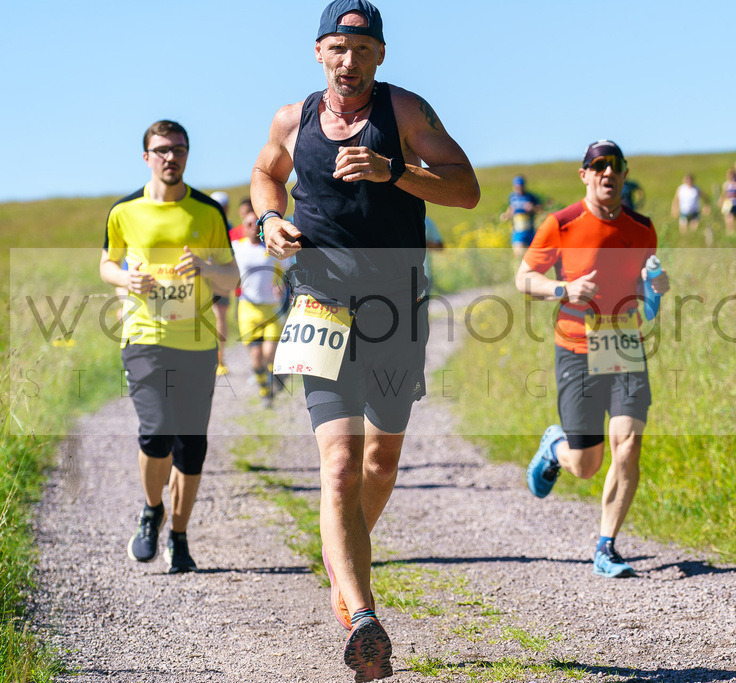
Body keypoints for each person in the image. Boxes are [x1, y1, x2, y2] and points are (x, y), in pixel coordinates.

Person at [249, 1, 479, 679]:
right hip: (318, 300)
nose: (349, 61)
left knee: (380, 461)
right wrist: (268, 217)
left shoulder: (404, 112)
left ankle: (343, 563)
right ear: (318, 52)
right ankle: (362, 614)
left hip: (395, 305)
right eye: (337, 49)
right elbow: (266, 171)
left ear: (379, 56)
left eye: (362, 49)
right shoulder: (292, 119)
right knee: (341, 465)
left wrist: (395, 171)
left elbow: (466, 188)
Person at [516, 140, 670, 579]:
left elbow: (647, 291)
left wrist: (657, 287)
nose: (607, 173)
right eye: (598, 166)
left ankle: (607, 545)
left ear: (624, 174)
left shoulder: (642, 228)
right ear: (584, 174)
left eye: (615, 166)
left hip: (624, 343)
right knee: (586, 466)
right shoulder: (561, 223)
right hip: (576, 347)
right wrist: (562, 290)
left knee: (629, 444)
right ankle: (555, 444)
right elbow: (524, 278)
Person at [99, 120, 239, 574]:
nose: (170, 157)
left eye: (178, 149)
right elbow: (106, 263)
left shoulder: (206, 212)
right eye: (161, 150)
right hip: (144, 337)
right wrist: (125, 278)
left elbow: (232, 277)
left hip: (196, 343)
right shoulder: (124, 211)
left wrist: (203, 266)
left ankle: (178, 536)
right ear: (146, 157)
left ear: (187, 154)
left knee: (191, 446)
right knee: (156, 432)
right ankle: (150, 509)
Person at [234, 210, 287, 408]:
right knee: (256, 359)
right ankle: (265, 391)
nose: (253, 228)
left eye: (256, 224)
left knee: (269, 355)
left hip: (270, 309)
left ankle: (276, 380)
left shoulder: (271, 248)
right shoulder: (236, 248)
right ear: (243, 226)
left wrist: (281, 285)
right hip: (247, 308)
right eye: (249, 224)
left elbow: (286, 270)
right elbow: (226, 268)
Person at [210, 190, 234, 375]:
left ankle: (220, 359)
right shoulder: (204, 223)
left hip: (221, 277)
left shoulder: (230, 229)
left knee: (220, 316)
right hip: (203, 277)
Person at [501, 175, 542, 259]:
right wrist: (506, 216)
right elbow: (509, 209)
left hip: (529, 229)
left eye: (520, 187)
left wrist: (532, 208)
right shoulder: (512, 197)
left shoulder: (530, 197)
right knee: (518, 254)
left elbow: (540, 208)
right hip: (517, 230)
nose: (519, 189)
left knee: (531, 256)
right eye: (516, 187)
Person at [720, 168, 736, 234]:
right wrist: (721, 200)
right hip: (728, 203)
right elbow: (724, 194)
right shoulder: (726, 184)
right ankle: (730, 231)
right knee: (728, 216)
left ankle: (735, 230)